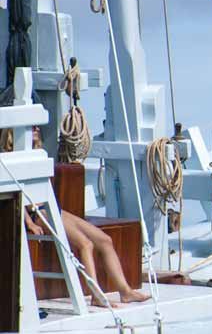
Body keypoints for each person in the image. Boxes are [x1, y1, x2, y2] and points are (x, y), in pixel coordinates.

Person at [20, 126, 150, 306]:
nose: (35, 129)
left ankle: (126, 291)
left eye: (35, 126)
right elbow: (16, 194)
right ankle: (97, 296)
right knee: (85, 244)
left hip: (51, 208)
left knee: (105, 240)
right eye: (30, 127)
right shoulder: (14, 158)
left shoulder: (38, 154)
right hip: (37, 213)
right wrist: (29, 223)